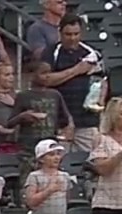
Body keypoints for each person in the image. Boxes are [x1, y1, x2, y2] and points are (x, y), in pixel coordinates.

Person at [39, 15, 107, 152]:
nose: (72, 38)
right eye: (68, 34)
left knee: (90, 162)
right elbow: (45, 79)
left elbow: (102, 81)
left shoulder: (91, 53)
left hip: (87, 121)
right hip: (59, 121)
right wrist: (77, 70)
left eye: (76, 34)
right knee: (59, 162)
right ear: (60, 33)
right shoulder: (51, 52)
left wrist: (100, 101)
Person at [23, 138, 73, 214]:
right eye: (51, 155)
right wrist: (49, 190)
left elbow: (67, 199)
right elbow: (30, 202)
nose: (56, 157)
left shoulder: (65, 176)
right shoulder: (34, 176)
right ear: (41, 159)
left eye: (58, 154)